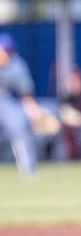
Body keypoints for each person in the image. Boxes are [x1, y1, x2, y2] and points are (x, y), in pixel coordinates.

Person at [0, 33, 46, 177]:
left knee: (18, 122)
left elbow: (26, 95)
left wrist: (36, 113)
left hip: (4, 100)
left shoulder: (16, 66)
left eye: (4, 50)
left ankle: (28, 168)